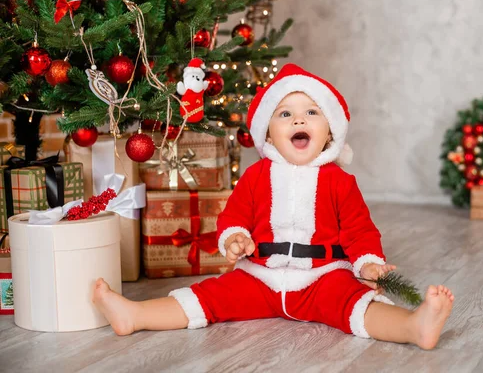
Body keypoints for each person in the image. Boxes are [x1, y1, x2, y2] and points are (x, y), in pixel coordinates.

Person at [93, 64, 454, 349]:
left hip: (322, 277)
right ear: (267, 133)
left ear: (329, 131)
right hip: (260, 276)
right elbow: (234, 216)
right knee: (210, 296)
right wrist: (234, 238)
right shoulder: (256, 175)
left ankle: (412, 326)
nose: (299, 120)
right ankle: (135, 314)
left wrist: (369, 262)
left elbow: (359, 230)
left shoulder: (341, 182)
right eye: (285, 114)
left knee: (355, 305)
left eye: (312, 112)